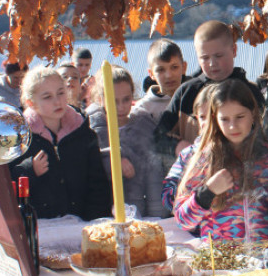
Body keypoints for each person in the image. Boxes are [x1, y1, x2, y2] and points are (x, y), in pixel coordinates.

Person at [173, 79, 268, 263]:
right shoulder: (204, 160)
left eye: (239, 117)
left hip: (262, 266)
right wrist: (206, 193)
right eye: (224, 119)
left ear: (253, 114)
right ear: (215, 120)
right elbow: (182, 220)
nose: (233, 126)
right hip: (218, 265)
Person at [9, 67, 111, 220]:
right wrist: (29, 170)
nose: (57, 101)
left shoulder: (83, 132)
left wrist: (94, 221)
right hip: (41, 227)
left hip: (83, 224)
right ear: (31, 103)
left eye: (61, 93)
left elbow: (98, 184)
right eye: (47, 97)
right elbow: (7, 182)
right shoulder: (20, 137)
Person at [158, 21, 263, 151]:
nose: (212, 63)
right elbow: (158, 137)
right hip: (195, 166)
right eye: (205, 58)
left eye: (218, 56)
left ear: (234, 50)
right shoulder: (187, 93)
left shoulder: (250, 93)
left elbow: (266, 136)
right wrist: (176, 145)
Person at [87, 66, 165, 218]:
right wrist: (113, 160)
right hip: (104, 212)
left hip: (142, 210)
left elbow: (155, 172)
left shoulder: (145, 126)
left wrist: (158, 214)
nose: (121, 107)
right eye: (114, 101)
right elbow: (89, 166)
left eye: (126, 99)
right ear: (100, 99)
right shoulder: (92, 129)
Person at [161, 85, 217, 213]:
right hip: (193, 228)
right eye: (203, 117)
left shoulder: (238, 151)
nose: (208, 123)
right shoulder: (188, 155)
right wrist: (190, 189)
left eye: (213, 116)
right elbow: (166, 195)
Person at [135, 39, 187, 124]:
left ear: (184, 67)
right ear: (151, 74)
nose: (169, 75)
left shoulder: (195, 99)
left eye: (174, 67)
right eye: (161, 70)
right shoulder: (143, 109)